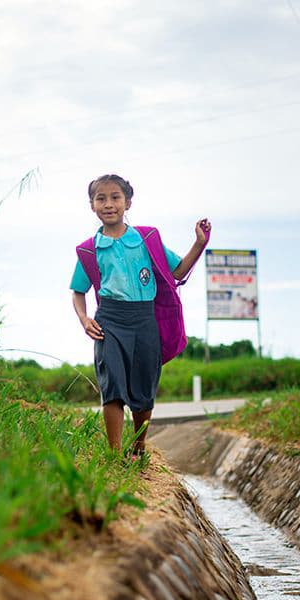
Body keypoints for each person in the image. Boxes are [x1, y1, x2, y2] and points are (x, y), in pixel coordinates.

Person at [70, 173, 210, 460]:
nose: (108, 204)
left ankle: (138, 446)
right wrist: (85, 319)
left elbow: (177, 272)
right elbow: (78, 291)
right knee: (113, 387)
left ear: (128, 202)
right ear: (92, 206)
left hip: (146, 320)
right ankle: (115, 454)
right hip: (109, 321)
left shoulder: (147, 239)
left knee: (144, 390)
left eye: (115, 197)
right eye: (101, 198)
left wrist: (198, 244)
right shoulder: (88, 250)